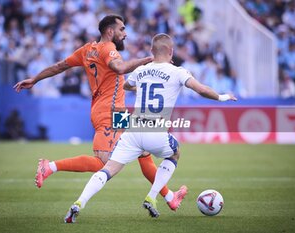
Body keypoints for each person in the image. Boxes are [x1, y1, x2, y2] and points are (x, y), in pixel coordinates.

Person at [14, 15, 187, 211]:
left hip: (112, 110)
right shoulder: (108, 49)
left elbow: (59, 66)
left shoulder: (87, 50)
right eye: (121, 29)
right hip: (109, 112)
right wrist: (149, 60)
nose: (125, 33)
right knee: (101, 164)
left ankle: (169, 196)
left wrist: (35, 79)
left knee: (143, 152)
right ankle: (51, 166)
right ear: (110, 31)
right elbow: (120, 68)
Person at [64, 33, 237, 223]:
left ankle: (79, 203)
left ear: (151, 51)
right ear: (171, 52)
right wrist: (223, 97)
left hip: (133, 132)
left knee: (108, 169)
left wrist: (142, 87)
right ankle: (152, 196)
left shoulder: (142, 70)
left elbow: (127, 86)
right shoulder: (178, 72)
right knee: (175, 152)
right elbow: (201, 89)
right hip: (156, 132)